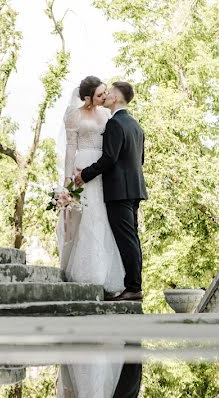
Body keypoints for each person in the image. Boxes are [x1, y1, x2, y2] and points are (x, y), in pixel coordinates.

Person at [76, 81, 147, 302]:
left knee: (127, 240)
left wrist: (85, 174)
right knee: (132, 238)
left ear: (115, 98)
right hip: (134, 189)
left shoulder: (115, 124)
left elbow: (109, 158)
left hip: (119, 191)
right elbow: (140, 160)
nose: (105, 96)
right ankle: (134, 285)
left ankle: (134, 287)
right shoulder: (136, 125)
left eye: (109, 94)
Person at [58, 76, 125, 295]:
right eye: (99, 94)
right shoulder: (74, 115)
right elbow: (70, 148)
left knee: (103, 216)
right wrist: (67, 179)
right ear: (87, 97)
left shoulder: (107, 114)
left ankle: (107, 273)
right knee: (87, 215)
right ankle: (88, 273)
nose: (104, 97)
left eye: (105, 92)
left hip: (102, 168)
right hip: (82, 167)